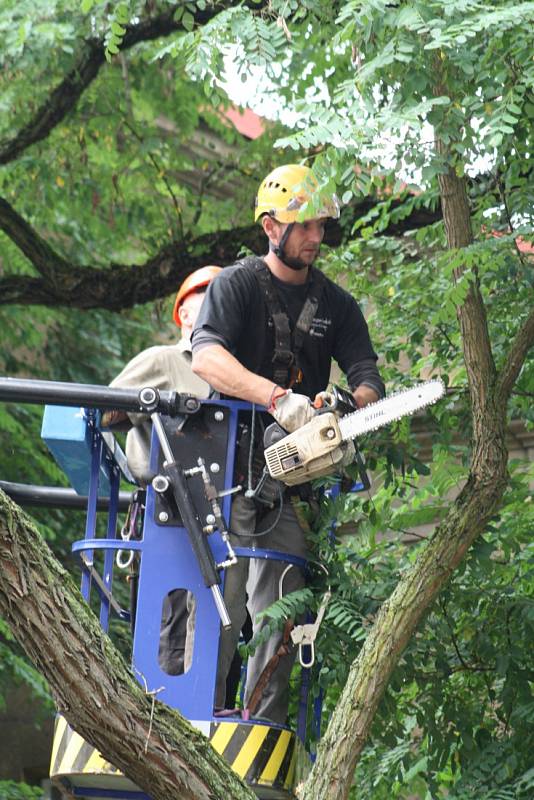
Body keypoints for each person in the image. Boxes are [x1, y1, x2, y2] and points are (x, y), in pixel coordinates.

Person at [191, 163, 385, 724]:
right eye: (304, 226)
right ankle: (195, 719)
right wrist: (278, 398)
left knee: (282, 600)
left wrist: (345, 404)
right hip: (221, 467)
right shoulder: (236, 285)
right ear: (271, 226)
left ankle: (264, 728)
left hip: (289, 476)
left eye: (321, 226)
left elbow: (368, 376)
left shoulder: (337, 305)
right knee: (219, 600)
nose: (316, 237)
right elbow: (207, 357)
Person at [104, 265, 221, 676]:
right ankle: (159, 710)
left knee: (218, 621)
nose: (214, 304)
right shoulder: (166, 360)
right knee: (169, 620)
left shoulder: (235, 373)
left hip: (220, 511)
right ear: (184, 316)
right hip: (166, 506)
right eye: (204, 297)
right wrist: (145, 409)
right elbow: (104, 410)